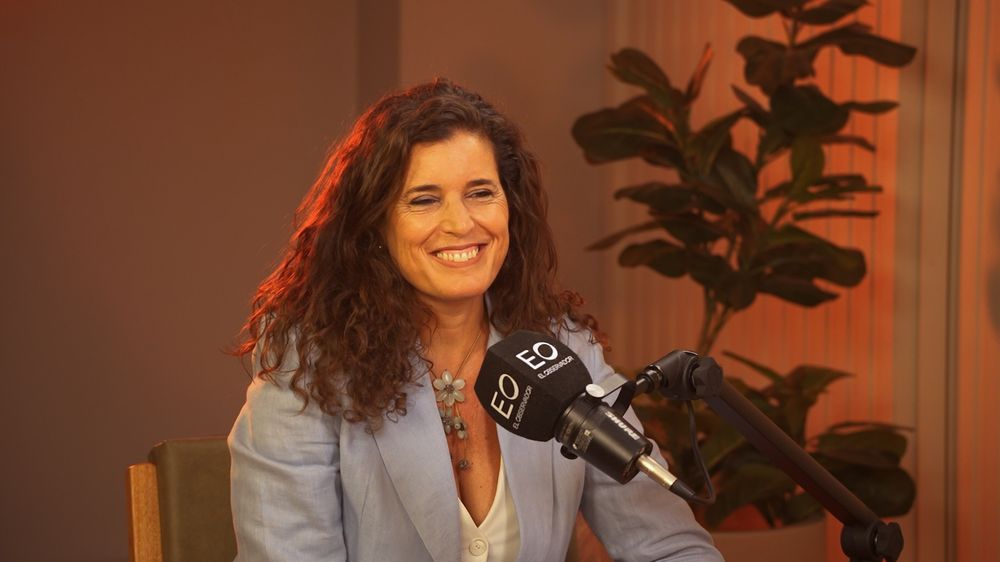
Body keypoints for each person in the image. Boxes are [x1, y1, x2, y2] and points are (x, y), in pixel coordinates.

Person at [228, 79, 723, 562]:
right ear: (375, 223)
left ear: (511, 206)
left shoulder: (565, 349)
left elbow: (670, 546)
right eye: (424, 199)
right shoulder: (307, 365)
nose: (461, 224)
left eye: (481, 193)